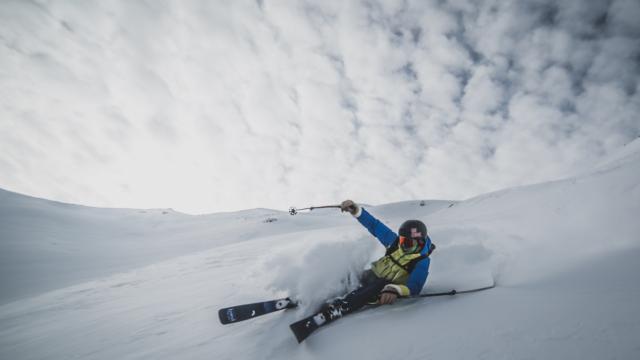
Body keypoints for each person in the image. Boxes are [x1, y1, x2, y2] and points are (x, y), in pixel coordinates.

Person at [321, 200, 434, 320]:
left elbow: (415, 287)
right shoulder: (395, 243)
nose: (403, 246)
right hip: (372, 274)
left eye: (409, 243)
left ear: (420, 243)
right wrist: (357, 211)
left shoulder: (422, 261)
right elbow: (375, 226)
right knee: (350, 277)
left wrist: (394, 289)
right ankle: (314, 299)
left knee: (376, 286)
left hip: (385, 288)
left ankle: (339, 308)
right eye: (402, 241)